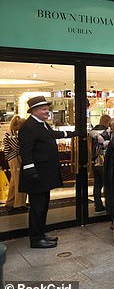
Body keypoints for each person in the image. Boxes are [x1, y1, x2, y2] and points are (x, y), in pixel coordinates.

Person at [19, 96, 78, 249]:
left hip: (44, 174)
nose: (47, 111)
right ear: (34, 111)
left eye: (47, 108)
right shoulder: (28, 127)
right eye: (44, 109)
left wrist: (71, 134)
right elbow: (25, 151)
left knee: (43, 206)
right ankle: (36, 239)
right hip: (36, 175)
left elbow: (52, 136)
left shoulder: (42, 124)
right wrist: (30, 170)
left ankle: (41, 234)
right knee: (37, 208)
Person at [3, 115, 26, 210]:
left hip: (12, 159)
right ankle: (19, 204)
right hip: (14, 159)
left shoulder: (11, 133)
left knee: (14, 181)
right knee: (20, 181)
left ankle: (10, 201)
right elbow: (17, 148)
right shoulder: (11, 135)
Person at [89, 114, 111, 213]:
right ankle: (109, 205)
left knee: (97, 185)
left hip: (95, 161)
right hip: (104, 162)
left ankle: (98, 206)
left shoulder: (93, 131)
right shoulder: (107, 132)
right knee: (107, 184)